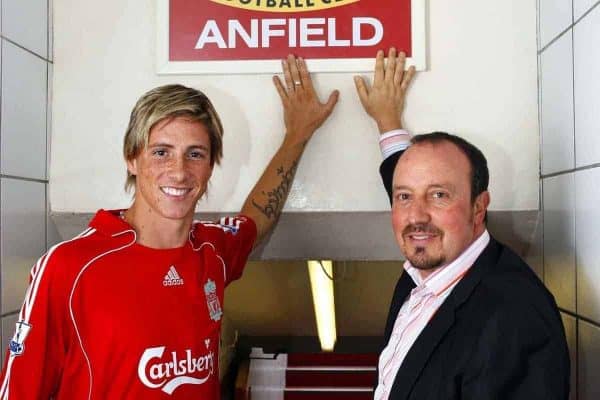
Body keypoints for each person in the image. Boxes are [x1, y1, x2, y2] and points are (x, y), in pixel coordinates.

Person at [0, 55, 338, 399]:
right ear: (132, 159)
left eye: (195, 154)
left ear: (211, 166)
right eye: (161, 152)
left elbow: (257, 218)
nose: (179, 172)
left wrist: (298, 133)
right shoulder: (68, 267)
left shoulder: (213, 249)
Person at [354, 48, 570, 399]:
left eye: (439, 196)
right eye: (403, 197)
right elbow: (413, 192)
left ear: (479, 207)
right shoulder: (424, 275)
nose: (417, 216)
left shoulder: (513, 316)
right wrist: (387, 122)